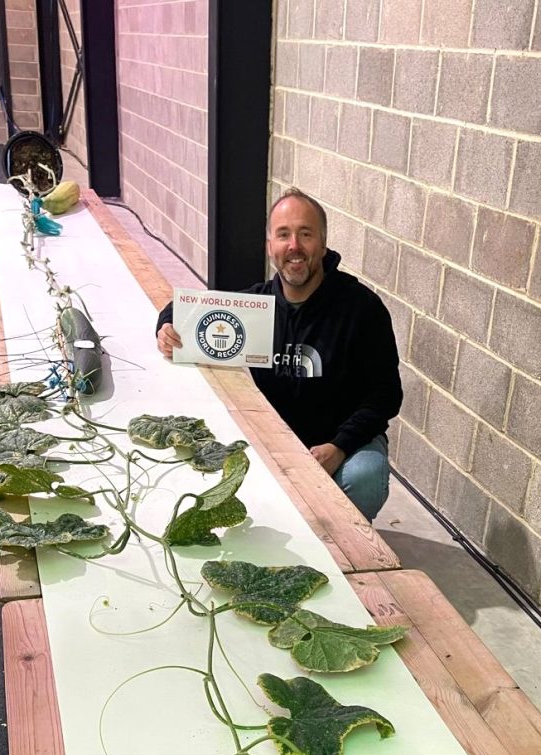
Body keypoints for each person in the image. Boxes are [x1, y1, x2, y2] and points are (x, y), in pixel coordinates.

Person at [155, 188, 403, 522]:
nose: (294, 246)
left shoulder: (361, 309)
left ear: (323, 243)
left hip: (340, 443)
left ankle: (347, 540)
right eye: (283, 235)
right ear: (270, 245)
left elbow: (386, 394)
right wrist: (167, 325)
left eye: (306, 234)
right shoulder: (255, 308)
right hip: (272, 443)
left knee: (365, 478)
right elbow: (184, 309)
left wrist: (340, 446)